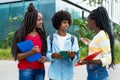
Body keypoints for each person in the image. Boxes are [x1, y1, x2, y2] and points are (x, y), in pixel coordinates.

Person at [11, 3, 47, 80]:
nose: (41, 22)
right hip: (26, 70)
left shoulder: (41, 34)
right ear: (32, 20)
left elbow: (44, 52)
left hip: (40, 70)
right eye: (39, 20)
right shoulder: (20, 34)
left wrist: (44, 57)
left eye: (42, 19)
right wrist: (30, 52)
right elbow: (16, 56)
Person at [78, 7, 115, 80]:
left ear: (93, 21)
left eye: (88, 21)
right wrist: (90, 43)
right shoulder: (99, 35)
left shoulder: (102, 35)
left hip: (98, 75)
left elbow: (108, 59)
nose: (87, 24)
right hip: (95, 74)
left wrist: (87, 61)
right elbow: (99, 50)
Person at [46, 10, 80, 80]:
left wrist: (72, 56)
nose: (67, 24)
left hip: (68, 76)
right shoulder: (50, 38)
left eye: (68, 22)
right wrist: (53, 55)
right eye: (64, 22)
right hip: (54, 76)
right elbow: (46, 55)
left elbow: (77, 57)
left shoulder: (73, 39)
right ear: (58, 23)